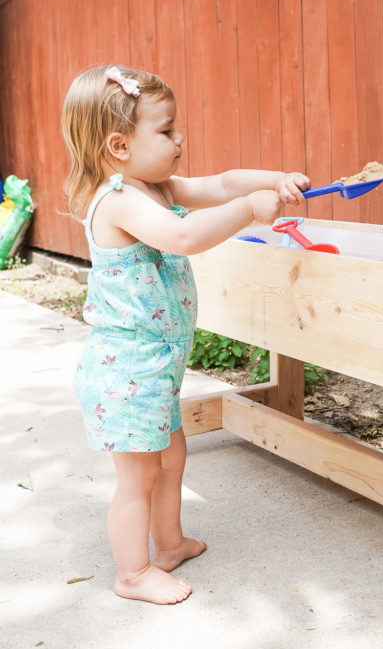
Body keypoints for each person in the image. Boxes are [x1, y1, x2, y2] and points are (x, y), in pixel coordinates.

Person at [61, 63, 309, 605]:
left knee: (171, 458)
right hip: (125, 370)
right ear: (120, 146)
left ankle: (168, 545)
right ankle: (132, 574)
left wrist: (271, 181)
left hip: (154, 367)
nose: (181, 138)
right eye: (167, 130)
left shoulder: (157, 186)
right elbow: (182, 236)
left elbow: (221, 183)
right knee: (138, 476)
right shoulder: (122, 199)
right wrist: (247, 211)